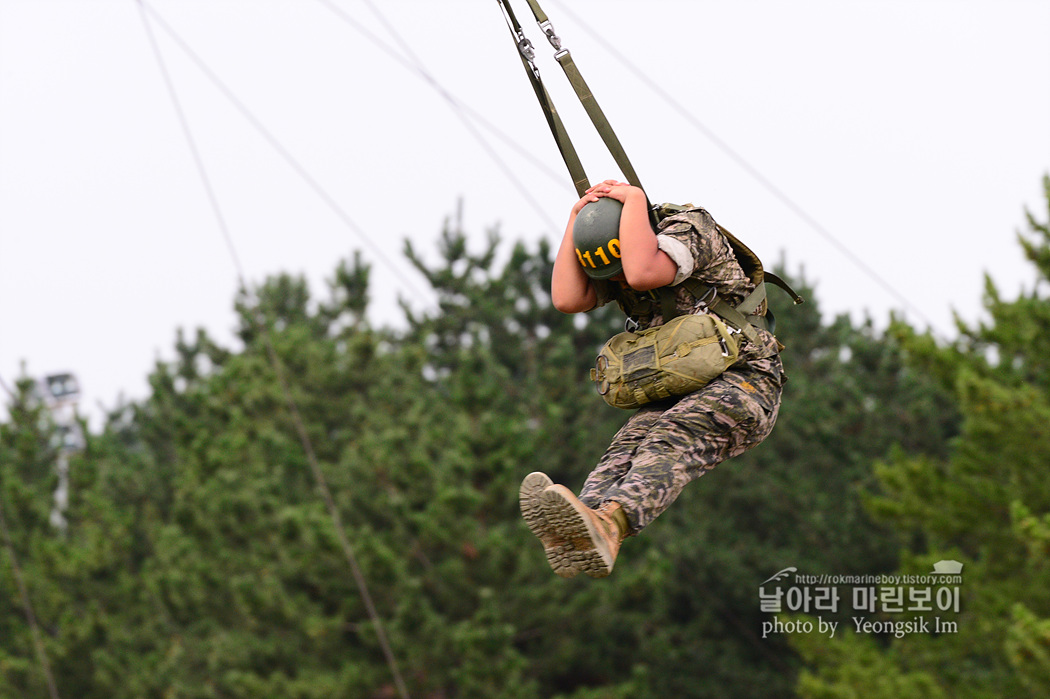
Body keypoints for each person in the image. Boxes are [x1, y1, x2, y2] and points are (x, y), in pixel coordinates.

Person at [521, 179, 785, 578]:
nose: (621, 283)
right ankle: (584, 524)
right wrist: (576, 219)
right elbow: (567, 299)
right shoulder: (619, 260)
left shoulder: (691, 230)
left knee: (669, 438)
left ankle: (611, 523)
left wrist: (633, 199)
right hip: (682, 390)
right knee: (625, 447)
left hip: (746, 382)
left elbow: (644, 272)